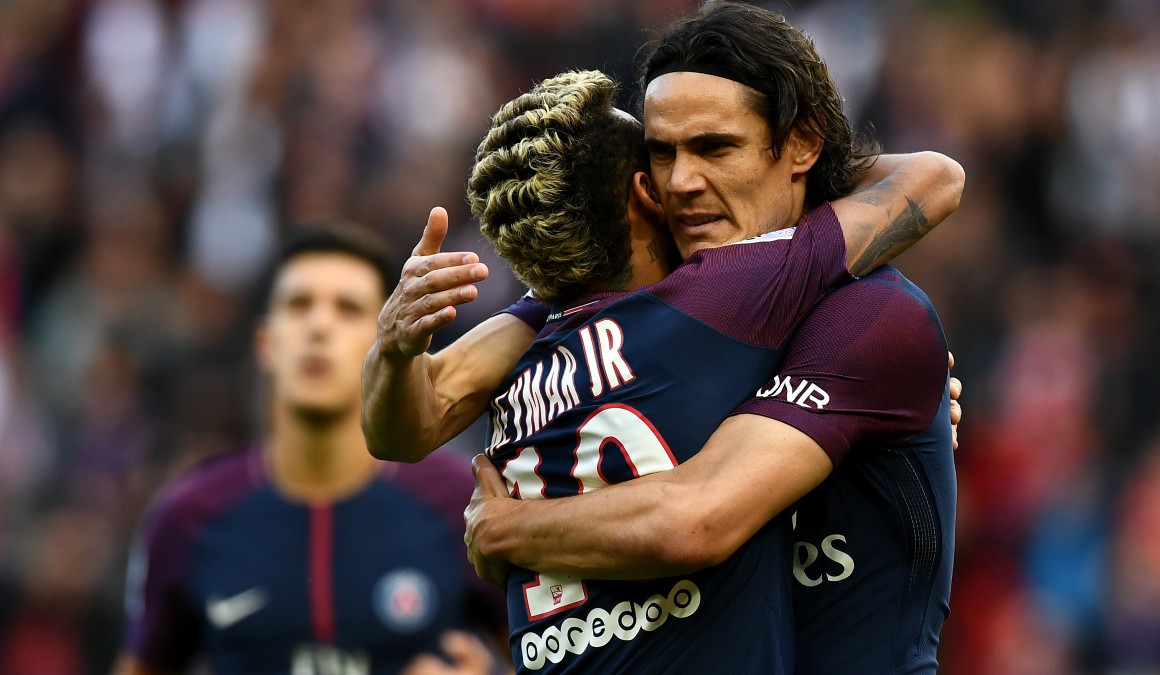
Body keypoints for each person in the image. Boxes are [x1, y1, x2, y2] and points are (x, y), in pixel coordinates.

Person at [366, 28, 959, 675]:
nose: (680, 182)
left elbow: (693, 519)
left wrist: (507, 527)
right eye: (660, 155)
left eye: (714, 148)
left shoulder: (872, 312)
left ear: (802, 144)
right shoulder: (628, 301)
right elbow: (427, 405)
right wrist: (395, 350)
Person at [114, 226, 507, 675]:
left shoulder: (457, 502)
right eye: (299, 305)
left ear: (385, 342)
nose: (319, 327)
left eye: (348, 309)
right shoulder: (188, 514)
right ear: (265, 342)